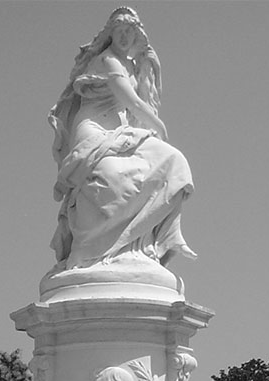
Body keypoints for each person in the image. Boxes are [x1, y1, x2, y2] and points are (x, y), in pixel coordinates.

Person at [48, 7, 196, 271]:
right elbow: (134, 103)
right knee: (111, 177)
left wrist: (150, 66)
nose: (125, 37)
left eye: (130, 31)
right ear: (111, 34)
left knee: (174, 160)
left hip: (122, 131)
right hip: (94, 131)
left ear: (137, 35)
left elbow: (146, 99)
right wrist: (159, 127)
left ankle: (157, 243)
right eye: (120, 31)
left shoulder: (131, 64)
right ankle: (91, 251)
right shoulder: (108, 61)